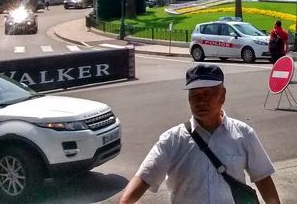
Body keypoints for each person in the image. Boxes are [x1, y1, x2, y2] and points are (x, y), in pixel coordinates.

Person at [119, 64, 280, 204]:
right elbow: (143, 178)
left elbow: (262, 178)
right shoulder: (172, 140)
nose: (200, 101)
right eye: (194, 95)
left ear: (222, 95)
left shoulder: (243, 134)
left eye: (207, 94)